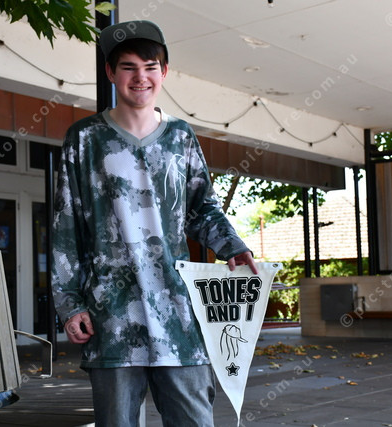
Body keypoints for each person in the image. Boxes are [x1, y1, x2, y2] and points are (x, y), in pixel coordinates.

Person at [51, 20, 257, 427]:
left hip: (177, 315)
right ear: (111, 73)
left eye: (149, 67)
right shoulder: (85, 139)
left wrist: (231, 244)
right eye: (128, 67)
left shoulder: (181, 137)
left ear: (164, 72)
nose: (140, 77)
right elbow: (66, 226)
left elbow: (202, 208)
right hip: (111, 317)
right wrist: (70, 304)